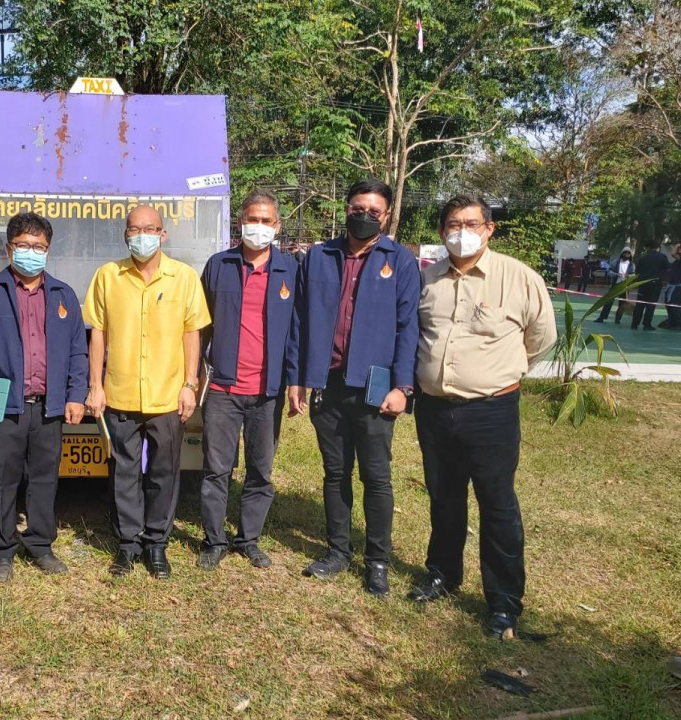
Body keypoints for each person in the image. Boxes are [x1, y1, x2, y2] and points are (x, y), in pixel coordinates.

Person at [408, 195, 557, 639]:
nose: (462, 232)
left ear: (489, 229)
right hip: (435, 409)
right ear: (441, 232)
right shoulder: (427, 280)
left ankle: (504, 601)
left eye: (471, 224)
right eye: (453, 225)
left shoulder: (518, 278)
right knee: (443, 496)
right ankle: (443, 574)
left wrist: (500, 373)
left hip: (491, 410)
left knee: (497, 503)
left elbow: (541, 338)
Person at [286, 179, 420, 596]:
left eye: (374, 211)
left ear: (386, 216)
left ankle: (377, 561)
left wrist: (402, 387)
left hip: (375, 387)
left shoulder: (400, 261)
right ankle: (338, 551)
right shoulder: (319, 257)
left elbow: (409, 328)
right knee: (335, 472)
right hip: (327, 383)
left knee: (376, 477)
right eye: (358, 208)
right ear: (346, 209)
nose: (364, 216)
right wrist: (297, 378)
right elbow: (299, 320)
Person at [0, 212, 88, 582]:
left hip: (48, 407)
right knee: (1, 480)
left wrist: (76, 395)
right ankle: (2, 551)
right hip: (3, 406)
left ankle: (41, 545)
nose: (31, 252)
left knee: (45, 478)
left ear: (48, 250)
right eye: (23, 245)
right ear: (8, 248)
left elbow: (78, 351)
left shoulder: (63, 295)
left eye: (38, 246)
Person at [83, 205, 211, 579]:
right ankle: (128, 544)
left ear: (162, 234)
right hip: (120, 393)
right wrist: (95, 385)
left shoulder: (184, 278)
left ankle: (156, 544)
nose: (142, 236)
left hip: (167, 395)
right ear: (125, 234)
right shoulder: (108, 276)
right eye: (135, 229)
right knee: (124, 471)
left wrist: (190, 384)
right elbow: (97, 334)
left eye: (150, 229)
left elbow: (192, 333)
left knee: (163, 472)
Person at [196, 190, 299, 571]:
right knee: (216, 468)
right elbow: (200, 325)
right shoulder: (219, 265)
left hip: (267, 392)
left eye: (265, 220)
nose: (258, 227)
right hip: (223, 389)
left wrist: (295, 383)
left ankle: (248, 539)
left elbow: (297, 331)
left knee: (260, 470)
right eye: (252, 219)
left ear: (277, 225)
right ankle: (214, 540)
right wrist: (194, 374)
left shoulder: (290, 270)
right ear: (240, 222)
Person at [631, 244, 669, 330]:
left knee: (639, 304)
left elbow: (637, 270)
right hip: (655, 284)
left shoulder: (643, 257)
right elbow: (667, 269)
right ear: (658, 248)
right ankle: (646, 324)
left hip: (643, 283)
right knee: (651, 305)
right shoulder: (662, 257)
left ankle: (634, 323)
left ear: (648, 248)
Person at [595, 248, 635, 323]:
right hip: (615, 284)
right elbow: (609, 272)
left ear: (630, 255)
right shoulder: (616, 262)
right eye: (625, 253)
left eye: (628, 253)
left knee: (622, 303)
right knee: (608, 301)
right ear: (622, 254)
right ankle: (602, 317)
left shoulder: (632, 265)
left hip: (625, 286)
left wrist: (628, 276)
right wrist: (616, 274)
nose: (626, 255)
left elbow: (633, 275)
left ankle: (618, 319)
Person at [658, 244, 681, 331]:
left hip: (677, 287)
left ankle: (679, 324)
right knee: (668, 304)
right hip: (671, 286)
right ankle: (672, 321)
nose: (678, 251)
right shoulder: (676, 262)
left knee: (675, 305)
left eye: (679, 250)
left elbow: (672, 254)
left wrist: (677, 245)